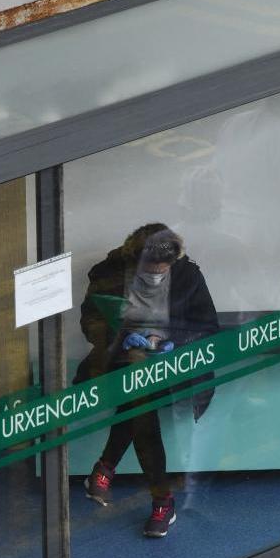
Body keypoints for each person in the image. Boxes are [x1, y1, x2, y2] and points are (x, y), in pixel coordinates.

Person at [76, 224, 220, 537]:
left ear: (173, 262)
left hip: (173, 362)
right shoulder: (107, 272)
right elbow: (90, 323)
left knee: (141, 401)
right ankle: (161, 501)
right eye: (149, 269)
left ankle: (107, 468)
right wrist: (123, 338)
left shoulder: (188, 275)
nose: (156, 274)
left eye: (162, 269)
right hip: (121, 359)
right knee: (142, 400)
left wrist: (169, 340)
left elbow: (208, 325)